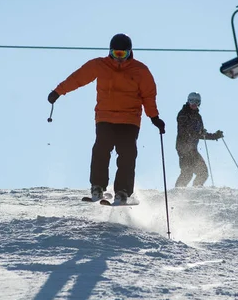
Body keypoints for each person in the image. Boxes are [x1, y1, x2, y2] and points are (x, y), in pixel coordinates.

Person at [47, 33, 165, 204]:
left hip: (129, 120)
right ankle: (98, 186)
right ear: (110, 52)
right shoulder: (99, 65)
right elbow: (77, 78)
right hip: (105, 117)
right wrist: (58, 91)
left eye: (122, 54)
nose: (119, 59)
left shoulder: (141, 71)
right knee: (101, 150)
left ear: (129, 53)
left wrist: (154, 118)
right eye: (115, 54)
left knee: (127, 154)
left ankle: (123, 191)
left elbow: (148, 96)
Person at [174, 92, 223, 187]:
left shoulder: (198, 117)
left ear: (199, 103)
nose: (193, 103)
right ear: (188, 101)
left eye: (196, 101)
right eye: (191, 100)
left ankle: (196, 190)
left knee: (203, 173)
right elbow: (185, 131)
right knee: (187, 173)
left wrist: (215, 136)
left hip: (193, 149)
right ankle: (177, 192)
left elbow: (200, 134)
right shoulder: (183, 114)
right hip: (183, 148)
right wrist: (199, 133)